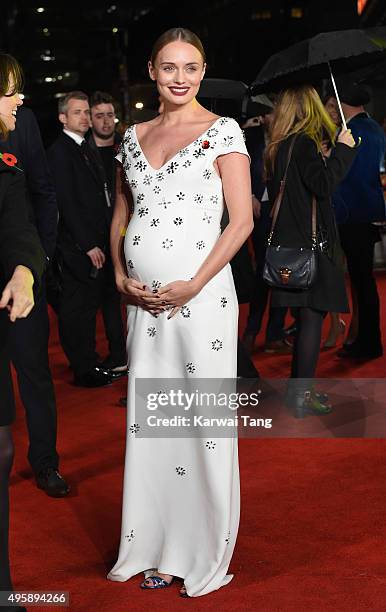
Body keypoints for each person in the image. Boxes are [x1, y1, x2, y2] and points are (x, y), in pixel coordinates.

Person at [108, 27, 253, 597]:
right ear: (152, 71)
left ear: (202, 70)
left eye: (191, 67)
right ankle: (153, 543)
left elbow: (240, 221)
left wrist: (194, 283)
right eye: (170, 67)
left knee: (200, 423)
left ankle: (200, 548)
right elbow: (120, 212)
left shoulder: (223, 131)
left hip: (204, 297)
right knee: (151, 425)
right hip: (143, 304)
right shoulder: (132, 134)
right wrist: (121, 277)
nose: (181, 77)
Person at [264, 85, 356, 417]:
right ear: (308, 108)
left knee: (306, 321)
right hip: (311, 247)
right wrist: (344, 152)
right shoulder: (301, 144)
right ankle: (301, 397)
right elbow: (323, 186)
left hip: (291, 246)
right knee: (311, 322)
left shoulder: (279, 146)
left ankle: (299, 393)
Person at [1, 104, 70, 497]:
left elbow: (41, 190)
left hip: (23, 266)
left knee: (34, 372)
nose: (20, 97)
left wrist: (37, 262)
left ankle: (45, 462)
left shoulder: (21, 119)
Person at [0, 52, 46, 611]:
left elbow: (20, 227)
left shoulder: (4, 162)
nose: (18, 101)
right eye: (8, 91)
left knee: (2, 447)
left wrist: (24, 268)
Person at [48, 91, 118, 387]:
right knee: (77, 308)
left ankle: (89, 362)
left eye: (87, 112)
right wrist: (87, 244)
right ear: (63, 117)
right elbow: (67, 202)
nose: (86, 117)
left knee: (88, 306)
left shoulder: (83, 147)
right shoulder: (60, 151)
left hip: (94, 240)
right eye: (78, 112)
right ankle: (83, 369)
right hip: (77, 245)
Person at [334, 83, 386, 360]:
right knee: (361, 281)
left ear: (343, 104)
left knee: (361, 282)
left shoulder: (355, 131)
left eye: (333, 104)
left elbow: (346, 176)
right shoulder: (374, 128)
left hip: (353, 214)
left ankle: (368, 342)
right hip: (364, 212)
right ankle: (363, 338)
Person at [241, 106, 291, 354]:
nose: (271, 119)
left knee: (282, 272)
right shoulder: (249, 137)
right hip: (260, 209)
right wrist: (248, 194)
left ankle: (275, 333)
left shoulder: (289, 138)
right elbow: (237, 166)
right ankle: (251, 330)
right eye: (267, 114)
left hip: (283, 211)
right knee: (263, 270)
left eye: (275, 113)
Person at [87, 91, 127, 374]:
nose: (105, 121)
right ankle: (117, 354)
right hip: (97, 238)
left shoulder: (126, 149)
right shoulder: (84, 152)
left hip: (128, 232)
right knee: (106, 300)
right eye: (99, 115)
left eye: (109, 115)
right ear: (90, 119)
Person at [321, 95, 347, 349]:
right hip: (324, 212)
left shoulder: (346, 135)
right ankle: (334, 322)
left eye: (337, 107)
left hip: (343, 209)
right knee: (329, 272)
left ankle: (337, 322)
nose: (334, 111)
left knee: (336, 272)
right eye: (330, 106)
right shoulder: (317, 134)